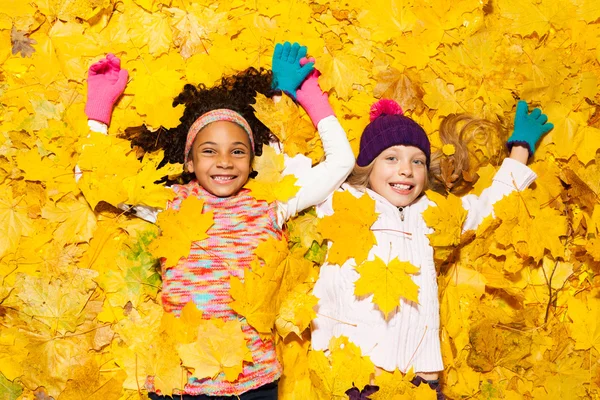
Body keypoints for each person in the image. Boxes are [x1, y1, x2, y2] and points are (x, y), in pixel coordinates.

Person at [81, 43, 354, 399]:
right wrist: (98, 111)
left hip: (254, 381)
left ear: (252, 159)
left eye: (237, 151)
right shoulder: (171, 205)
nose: (224, 161)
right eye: (209, 151)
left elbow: (341, 163)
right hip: (178, 381)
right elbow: (94, 179)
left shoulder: (271, 204)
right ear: (189, 162)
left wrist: (306, 97)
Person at [310, 98, 553, 399]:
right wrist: (306, 94)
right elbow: (306, 175)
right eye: (391, 158)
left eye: (417, 161)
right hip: (359, 378)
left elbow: (490, 207)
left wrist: (520, 150)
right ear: (367, 167)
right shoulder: (340, 201)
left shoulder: (432, 212)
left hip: (421, 379)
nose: (406, 170)